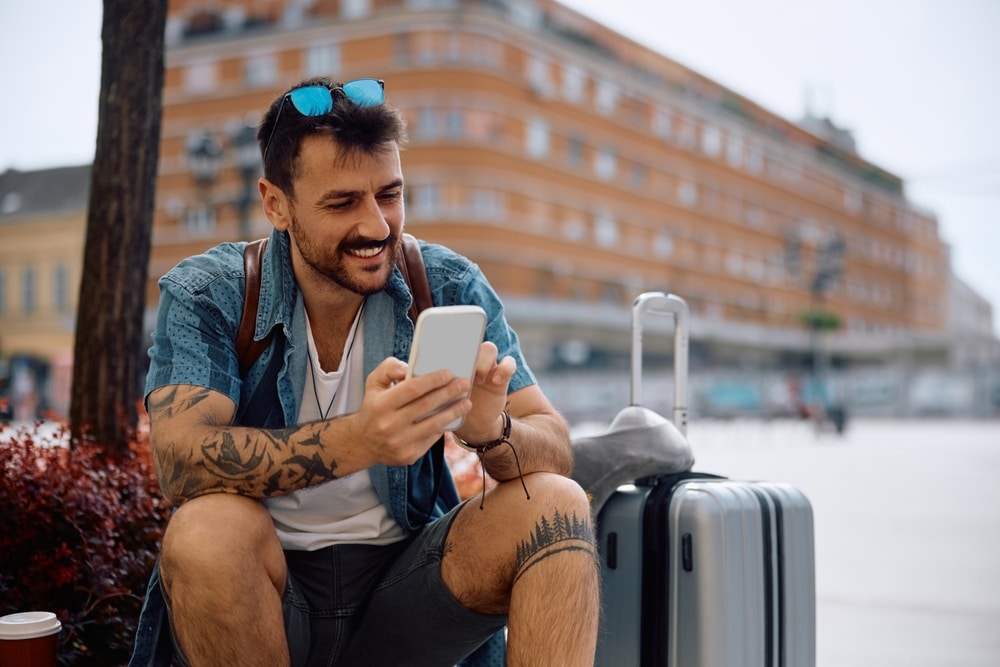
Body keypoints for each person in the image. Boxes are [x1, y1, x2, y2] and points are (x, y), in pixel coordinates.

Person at [129, 77, 599, 667]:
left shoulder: (446, 282)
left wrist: (491, 430)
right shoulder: (213, 292)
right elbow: (178, 462)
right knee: (205, 531)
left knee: (556, 503)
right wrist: (362, 440)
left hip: (405, 591)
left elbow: (553, 444)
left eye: (390, 195)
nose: (377, 226)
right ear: (275, 203)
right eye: (342, 202)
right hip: (269, 595)